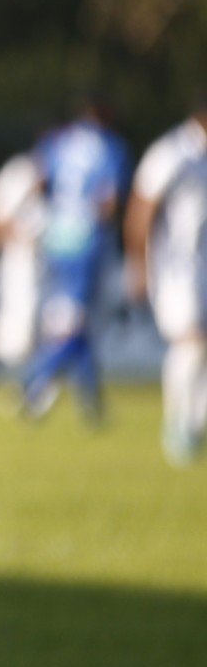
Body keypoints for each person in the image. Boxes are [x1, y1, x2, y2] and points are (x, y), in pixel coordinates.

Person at [16, 102, 130, 426]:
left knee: (70, 321)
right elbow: (108, 201)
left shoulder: (57, 141)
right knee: (74, 323)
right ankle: (32, 383)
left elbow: (39, 182)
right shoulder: (110, 146)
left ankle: (91, 402)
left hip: (56, 237)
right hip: (86, 240)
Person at [124, 101, 207, 466]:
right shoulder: (171, 153)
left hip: (203, 268)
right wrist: (138, 267)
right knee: (191, 342)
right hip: (176, 271)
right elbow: (141, 210)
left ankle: (195, 424)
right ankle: (178, 424)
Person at [0, 148, 47, 371]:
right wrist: (12, 239)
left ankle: (38, 380)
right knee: (19, 325)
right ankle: (8, 370)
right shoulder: (22, 170)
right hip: (22, 260)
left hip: (61, 261)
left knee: (53, 324)